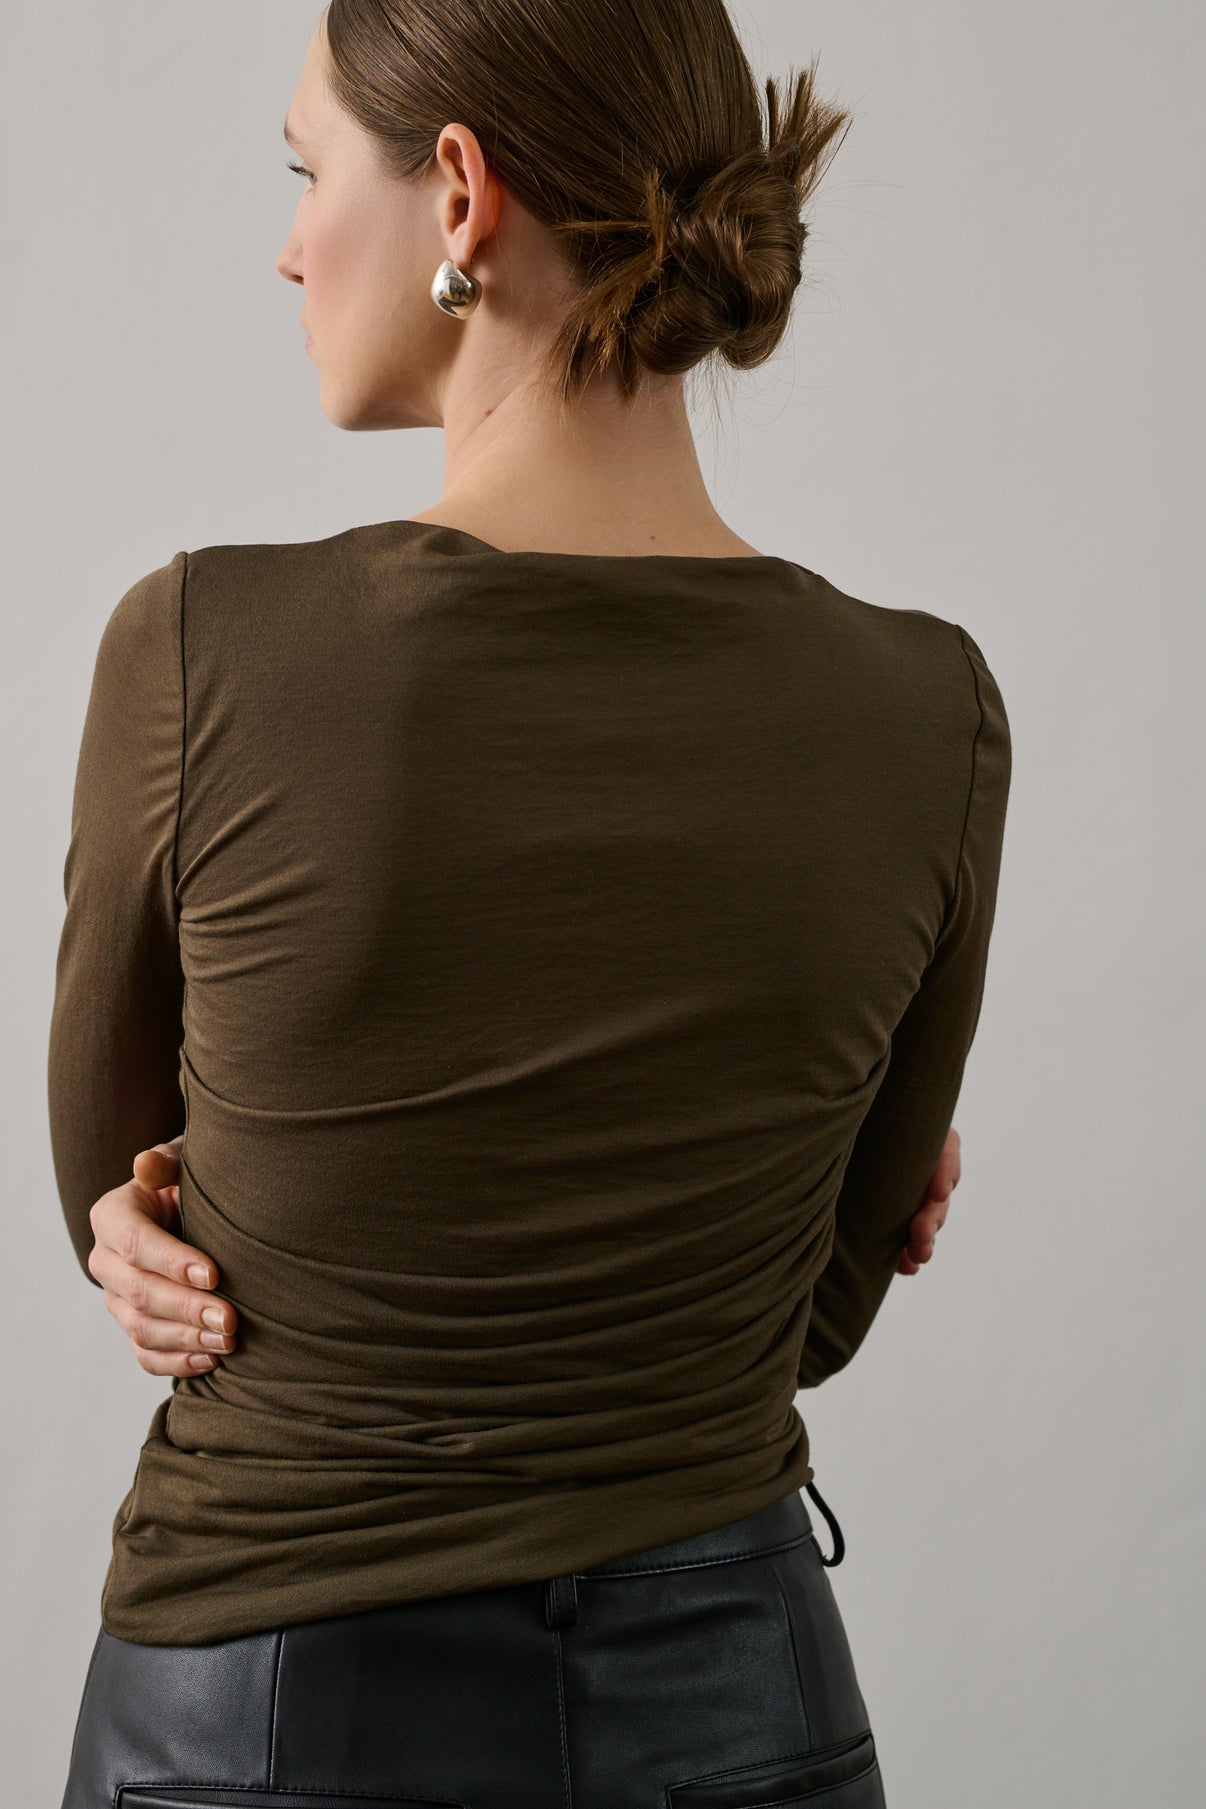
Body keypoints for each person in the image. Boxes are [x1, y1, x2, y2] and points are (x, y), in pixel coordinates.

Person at [48, 2, 1011, 1805]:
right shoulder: (929, 710)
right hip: (734, 1703)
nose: (287, 243)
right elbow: (807, 1325)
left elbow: (132, 1214)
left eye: (305, 171)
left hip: (268, 1712)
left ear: (459, 195)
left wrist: (185, 1197)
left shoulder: (201, 649)